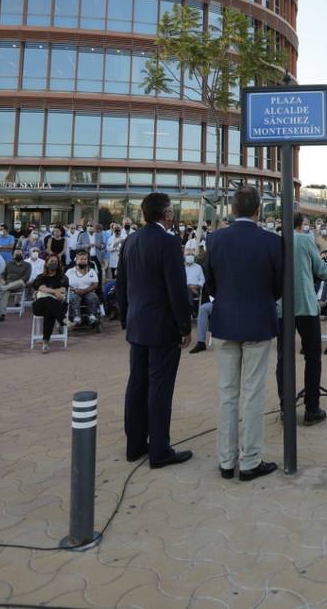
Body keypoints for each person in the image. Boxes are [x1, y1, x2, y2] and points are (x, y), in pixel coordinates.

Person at [204, 186, 281, 480]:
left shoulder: (215, 239)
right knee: (253, 392)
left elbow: (210, 282)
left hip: (225, 321)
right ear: (258, 210)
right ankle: (249, 460)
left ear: (232, 210)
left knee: (227, 392)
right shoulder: (272, 242)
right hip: (259, 321)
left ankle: (226, 460)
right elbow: (278, 284)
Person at [116, 193, 193, 468]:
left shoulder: (131, 240)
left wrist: (125, 318)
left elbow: (121, 282)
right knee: (159, 387)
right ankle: (159, 449)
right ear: (167, 214)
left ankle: (134, 445)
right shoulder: (168, 241)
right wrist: (185, 325)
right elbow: (176, 287)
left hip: (137, 325)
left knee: (136, 384)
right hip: (162, 327)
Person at [280, 212, 327, 425]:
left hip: (282, 306)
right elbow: (322, 270)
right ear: (301, 225)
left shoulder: (277, 240)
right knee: (312, 357)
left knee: (283, 358)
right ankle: (312, 408)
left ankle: (286, 409)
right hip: (306, 306)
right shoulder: (305, 239)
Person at [30, 256, 69, 353]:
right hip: (40, 306)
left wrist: (49, 291)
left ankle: (45, 343)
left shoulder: (63, 277)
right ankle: (63, 319)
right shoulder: (41, 277)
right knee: (48, 300)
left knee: (49, 310)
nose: (54, 263)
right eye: (51, 261)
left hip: (57, 306)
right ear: (46, 263)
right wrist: (55, 292)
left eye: (56, 261)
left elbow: (63, 290)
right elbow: (41, 288)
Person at [183, 247, 206, 333]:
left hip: (196, 291)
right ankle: (192, 310)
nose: (190, 256)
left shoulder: (198, 267)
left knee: (189, 289)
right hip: (184, 292)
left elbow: (202, 280)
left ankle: (190, 310)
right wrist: (191, 287)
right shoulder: (180, 267)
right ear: (184, 256)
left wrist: (196, 286)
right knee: (187, 288)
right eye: (188, 255)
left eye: (192, 255)